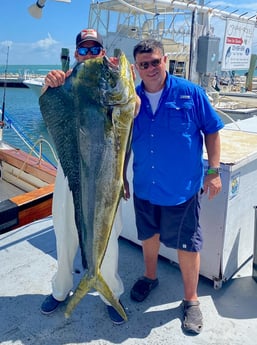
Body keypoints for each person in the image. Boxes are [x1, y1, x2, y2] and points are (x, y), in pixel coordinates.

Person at [124, 39, 224, 334]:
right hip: (145, 185)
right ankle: (150, 276)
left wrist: (214, 171)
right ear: (136, 68)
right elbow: (122, 141)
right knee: (149, 235)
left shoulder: (190, 93)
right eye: (144, 64)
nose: (151, 68)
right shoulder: (130, 99)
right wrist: (121, 177)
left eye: (155, 62)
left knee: (187, 244)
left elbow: (212, 131)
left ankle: (191, 300)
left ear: (165, 60)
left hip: (182, 188)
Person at [40, 29, 130, 325]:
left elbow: (133, 106)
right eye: (84, 50)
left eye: (95, 50)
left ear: (103, 53)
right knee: (64, 233)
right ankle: (61, 289)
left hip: (105, 177)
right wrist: (47, 85)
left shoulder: (112, 82)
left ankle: (110, 292)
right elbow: (47, 106)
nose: (89, 55)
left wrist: (121, 79)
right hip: (70, 174)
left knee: (109, 236)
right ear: (76, 53)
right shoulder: (65, 84)